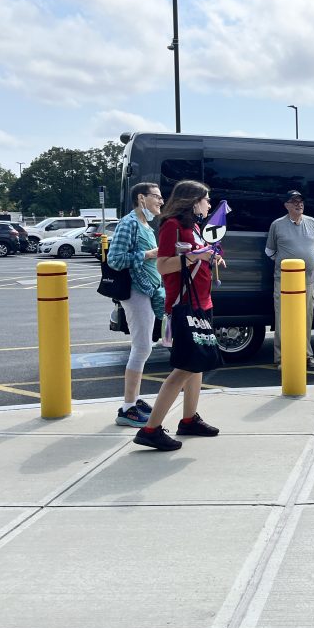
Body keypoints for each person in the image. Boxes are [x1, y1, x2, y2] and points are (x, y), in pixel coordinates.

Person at [133, 180, 225, 451]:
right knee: (184, 367)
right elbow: (163, 265)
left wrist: (211, 257)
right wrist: (196, 257)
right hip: (183, 303)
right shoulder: (172, 225)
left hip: (201, 301)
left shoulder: (195, 226)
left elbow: (197, 255)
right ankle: (150, 429)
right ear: (193, 200)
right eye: (206, 199)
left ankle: (189, 419)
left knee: (195, 363)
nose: (208, 205)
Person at [106, 183, 166, 427]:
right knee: (141, 347)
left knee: (144, 347)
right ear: (141, 198)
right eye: (157, 197)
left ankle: (134, 401)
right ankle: (128, 408)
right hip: (135, 291)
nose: (161, 201)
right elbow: (115, 259)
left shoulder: (145, 225)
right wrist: (149, 255)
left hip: (147, 290)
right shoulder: (129, 223)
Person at [266, 189, 314, 369]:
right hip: (284, 281)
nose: (299, 204)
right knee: (283, 319)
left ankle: (307, 356)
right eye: (294, 201)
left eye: (300, 201)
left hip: (307, 281)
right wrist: (288, 265)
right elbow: (270, 252)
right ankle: (281, 358)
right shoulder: (277, 224)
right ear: (286, 205)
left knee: (306, 318)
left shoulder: (312, 222)